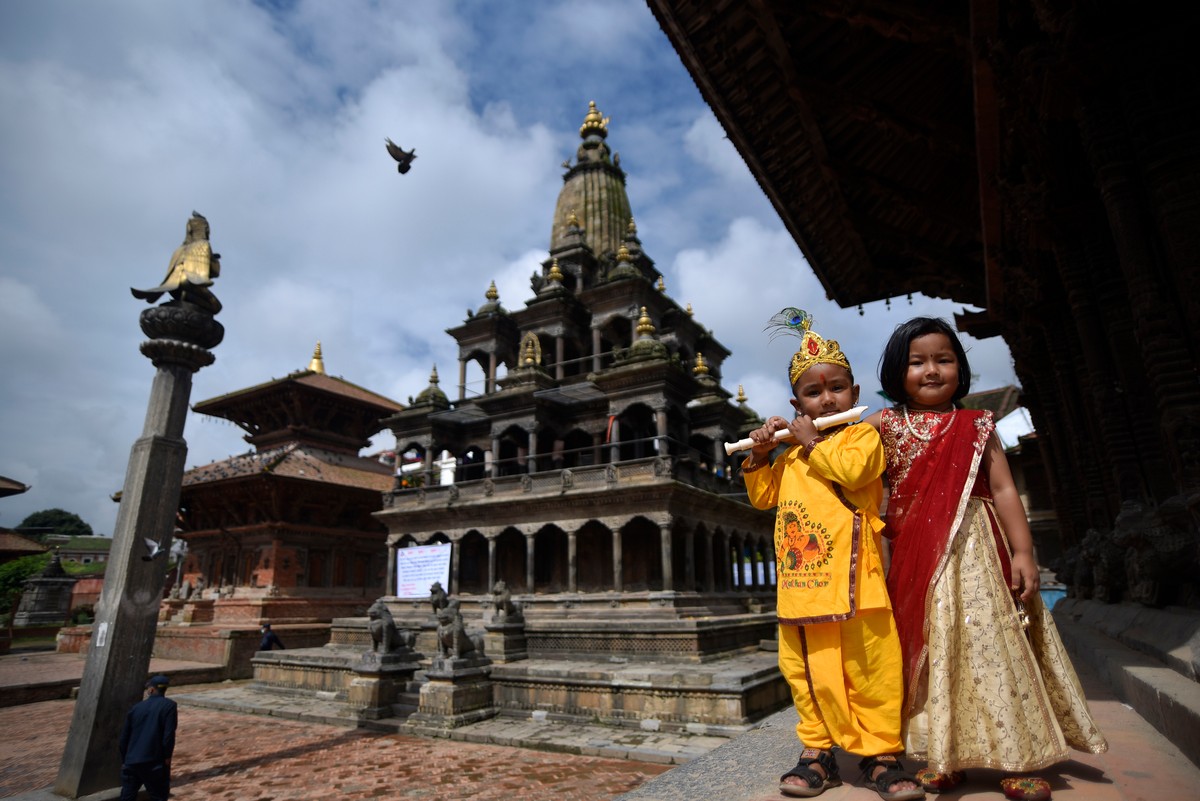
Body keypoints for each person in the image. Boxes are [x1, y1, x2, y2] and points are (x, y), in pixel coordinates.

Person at [868, 317, 1107, 801]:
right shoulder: (881, 425)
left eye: (944, 359)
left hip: (977, 549)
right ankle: (944, 754)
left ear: (960, 367)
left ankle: (1016, 756)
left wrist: (1024, 552)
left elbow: (1003, 489)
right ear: (897, 371)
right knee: (932, 652)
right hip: (914, 559)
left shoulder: (976, 425)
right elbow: (839, 463)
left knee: (990, 645)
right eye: (917, 362)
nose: (931, 370)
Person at [743, 309, 923, 800]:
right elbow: (764, 497)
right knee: (804, 672)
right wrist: (761, 454)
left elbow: (854, 472)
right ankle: (818, 751)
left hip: (856, 578)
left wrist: (813, 439)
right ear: (796, 402)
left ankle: (882, 753)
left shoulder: (862, 435)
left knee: (871, 667)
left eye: (837, 387)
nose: (827, 398)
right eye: (814, 391)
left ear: (855, 394)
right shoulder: (791, 454)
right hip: (801, 586)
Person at [119, 674, 178, 801]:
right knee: (158, 796)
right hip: (154, 762)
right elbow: (168, 735)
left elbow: (124, 737)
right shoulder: (169, 706)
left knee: (127, 796)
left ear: (151, 689)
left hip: (132, 761)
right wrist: (167, 756)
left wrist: (125, 759)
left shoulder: (136, 708)